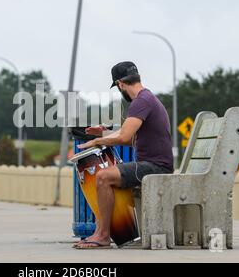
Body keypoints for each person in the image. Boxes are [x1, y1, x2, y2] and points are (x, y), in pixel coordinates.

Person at [74, 61, 174, 249]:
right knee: (109, 176)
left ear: (120, 84)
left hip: (155, 167)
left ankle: (103, 235)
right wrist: (103, 133)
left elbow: (125, 136)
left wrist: (96, 142)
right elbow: (130, 138)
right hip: (155, 164)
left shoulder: (141, 102)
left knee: (103, 177)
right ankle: (103, 231)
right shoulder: (147, 98)